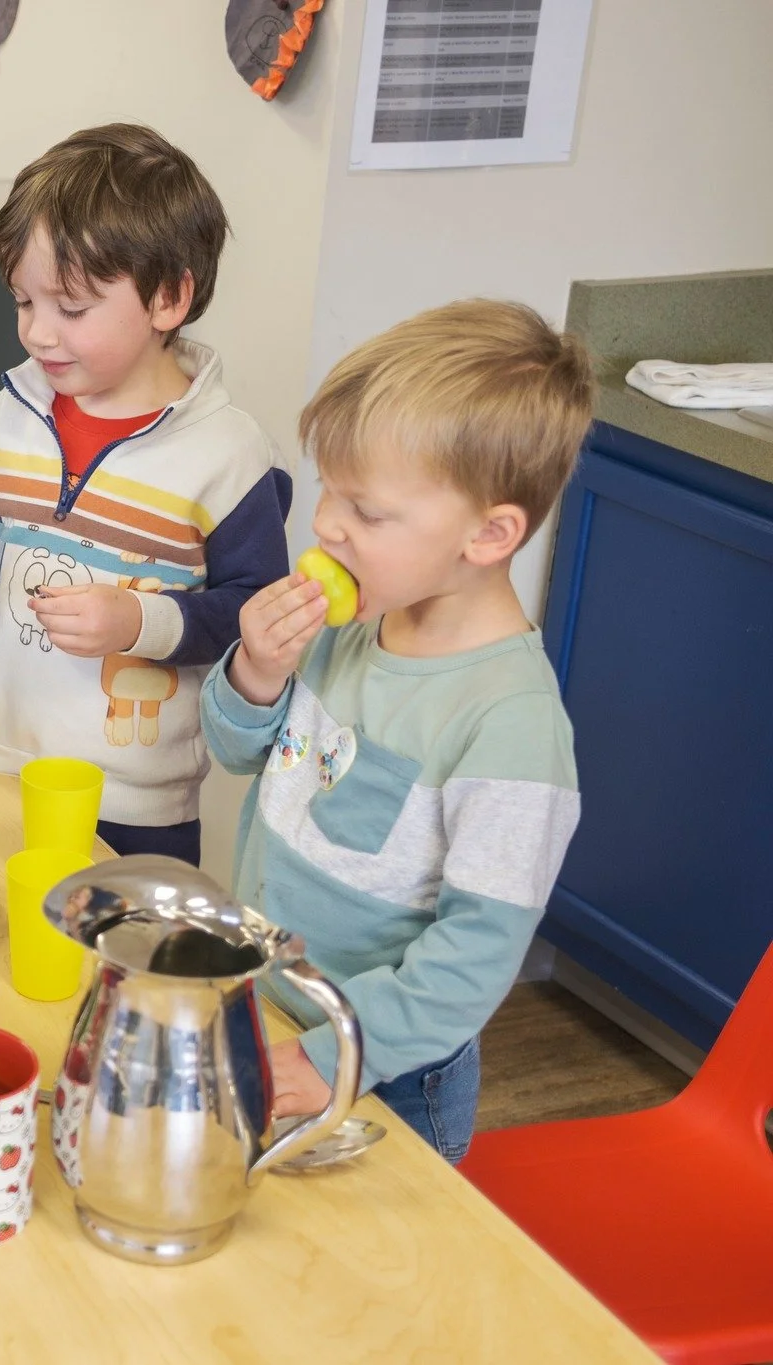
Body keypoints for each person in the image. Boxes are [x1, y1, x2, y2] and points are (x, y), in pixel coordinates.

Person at [201, 299, 594, 1160]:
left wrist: (334, 1053)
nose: (325, 524)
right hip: (266, 1006)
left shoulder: (512, 726)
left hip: (387, 1072)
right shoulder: (349, 628)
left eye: (366, 511)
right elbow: (235, 753)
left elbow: (473, 958)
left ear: (489, 534)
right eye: (329, 491)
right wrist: (256, 674)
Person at [0, 125, 289, 865]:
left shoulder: (231, 457)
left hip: (138, 805)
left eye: (71, 308)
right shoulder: (6, 416)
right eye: (24, 302)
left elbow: (252, 617)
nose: (39, 334)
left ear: (169, 297)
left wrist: (139, 621)